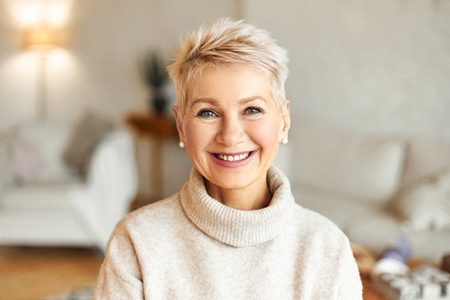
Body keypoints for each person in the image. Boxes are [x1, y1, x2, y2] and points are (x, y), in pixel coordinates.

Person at [95, 18, 362, 299]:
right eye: (208, 113)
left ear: (284, 121)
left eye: (252, 110)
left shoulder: (327, 247)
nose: (230, 135)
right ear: (181, 126)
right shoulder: (137, 241)